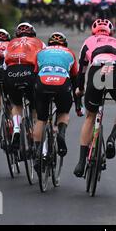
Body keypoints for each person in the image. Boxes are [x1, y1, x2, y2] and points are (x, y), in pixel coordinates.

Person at [73, 19, 116, 177]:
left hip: (96, 71)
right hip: (115, 72)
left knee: (90, 117)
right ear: (110, 31)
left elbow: (82, 69)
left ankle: (80, 163)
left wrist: (80, 89)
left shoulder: (88, 41)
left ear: (94, 31)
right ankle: (112, 138)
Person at [33, 32, 80, 172]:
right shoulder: (70, 53)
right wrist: (78, 103)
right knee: (63, 112)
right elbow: (75, 79)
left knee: (41, 119)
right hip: (62, 83)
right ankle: (61, 134)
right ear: (64, 44)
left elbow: (35, 73)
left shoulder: (40, 52)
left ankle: (37, 154)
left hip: (42, 82)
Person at [4, 23, 45, 148]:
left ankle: (16, 127)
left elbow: (4, 65)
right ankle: (34, 129)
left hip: (11, 72)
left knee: (16, 104)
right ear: (33, 33)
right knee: (34, 105)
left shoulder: (10, 43)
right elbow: (45, 60)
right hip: (29, 71)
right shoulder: (39, 42)